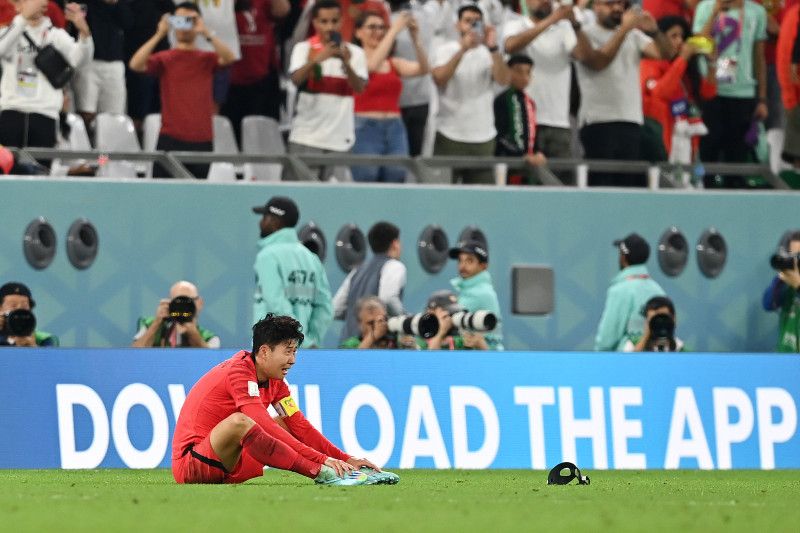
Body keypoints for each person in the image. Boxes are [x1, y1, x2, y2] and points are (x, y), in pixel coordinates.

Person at [171, 312, 399, 485]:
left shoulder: (276, 380)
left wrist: (346, 458)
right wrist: (320, 461)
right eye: (287, 351)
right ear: (264, 352)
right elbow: (259, 422)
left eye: (295, 352)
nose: (293, 360)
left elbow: (299, 426)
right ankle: (320, 473)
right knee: (241, 422)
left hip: (230, 462)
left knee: (286, 424)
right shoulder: (238, 372)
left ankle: (345, 471)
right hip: (193, 464)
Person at [128, 2, 236, 179]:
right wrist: (160, 33)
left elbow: (229, 58)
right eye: (178, 20)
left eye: (189, 21)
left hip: (202, 139)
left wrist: (206, 32)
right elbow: (136, 64)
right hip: (170, 138)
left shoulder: (206, 59)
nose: (183, 26)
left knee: (196, 197)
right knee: (162, 194)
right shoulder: (165, 58)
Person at [574, 1, 669, 186]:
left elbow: (665, 53)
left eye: (621, 3)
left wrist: (654, 32)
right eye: (609, 3)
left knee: (626, 187)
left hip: (630, 120)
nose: (617, 8)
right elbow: (598, 62)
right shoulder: (585, 35)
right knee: (601, 186)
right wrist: (624, 30)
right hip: (598, 121)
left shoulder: (634, 35)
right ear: (596, 8)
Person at [502, 0, 595, 172]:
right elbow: (510, 45)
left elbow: (584, 56)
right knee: (524, 182)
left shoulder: (564, 28)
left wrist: (576, 25)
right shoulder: (516, 25)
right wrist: (551, 20)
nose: (545, 1)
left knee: (561, 186)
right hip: (524, 120)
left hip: (558, 121)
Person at [286, 0, 368, 181]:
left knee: (334, 199)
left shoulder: (355, 53)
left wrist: (346, 63)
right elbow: (296, 79)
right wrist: (316, 59)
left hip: (339, 138)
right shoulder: (303, 49)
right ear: (315, 22)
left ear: (341, 21)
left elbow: (359, 88)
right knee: (301, 196)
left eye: (334, 21)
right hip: (306, 136)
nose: (329, 27)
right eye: (324, 21)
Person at [692, 0, 768, 188]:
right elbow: (697, 45)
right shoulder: (707, 7)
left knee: (737, 153)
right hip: (711, 90)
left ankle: (736, 194)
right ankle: (706, 190)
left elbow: (759, 56)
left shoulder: (757, 12)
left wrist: (762, 98)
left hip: (743, 92)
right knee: (710, 147)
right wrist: (714, 14)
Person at [432, 4, 510, 184]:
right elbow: (440, 79)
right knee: (442, 197)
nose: (472, 26)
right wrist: (464, 49)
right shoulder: (445, 50)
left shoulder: (490, 53)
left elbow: (504, 80)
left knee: (481, 202)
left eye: (477, 22)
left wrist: (492, 47)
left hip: (483, 137)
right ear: (457, 26)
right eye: (467, 21)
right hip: (450, 135)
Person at [0, 0, 93, 149]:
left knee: (41, 169)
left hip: (45, 112)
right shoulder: (10, 32)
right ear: (18, 5)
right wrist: (22, 20)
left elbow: (81, 60)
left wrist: (84, 32)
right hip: (11, 110)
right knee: (8, 168)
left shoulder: (56, 35)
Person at [350, 10, 429, 183]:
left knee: (397, 176)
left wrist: (416, 38)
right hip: (365, 128)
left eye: (381, 28)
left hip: (395, 127)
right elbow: (370, 67)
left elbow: (423, 68)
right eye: (372, 27)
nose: (378, 32)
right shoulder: (354, 58)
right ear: (358, 32)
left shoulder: (394, 63)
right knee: (367, 177)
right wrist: (394, 30)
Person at [253, 196, 333, 349]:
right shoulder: (312, 258)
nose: (261, 222)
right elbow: (325, 307)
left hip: (270, 350)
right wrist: (310, 341)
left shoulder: (267, 256)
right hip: (303, 350)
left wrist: (301, 341)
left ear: (276, 221)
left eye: (265, 217)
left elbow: (276, 304)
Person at [640, 15, 716, 164]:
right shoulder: (650, 64)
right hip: (661, 138)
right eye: (673, 36)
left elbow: (708, 93)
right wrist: (682, 59)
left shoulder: (684, 69)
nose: (679, 41)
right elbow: (661, 92)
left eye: (681, 36)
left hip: (686, 137)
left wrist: (712, 65)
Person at [221, 0, 289, 143]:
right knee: (229, 136)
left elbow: (282, 10)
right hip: (226, 76)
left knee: (261, 136)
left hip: (261, 77)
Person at [333, 221, 406, 344]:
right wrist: (403, 320)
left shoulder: (356, 271)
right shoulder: (394, 266)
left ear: (371, 248)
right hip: (375, 346)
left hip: (350, 344)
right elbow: (388, 299)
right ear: (395, 244)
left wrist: (358, 317)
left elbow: (335, 309)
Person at [594, 233, 666, 351]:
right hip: (655, 362)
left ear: (623, 256)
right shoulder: (659, 291)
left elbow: (606, 340)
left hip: (624, 364)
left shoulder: (619, 291)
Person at [70, 0, 132, 133]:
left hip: (115, 60)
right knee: (85, 112)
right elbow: (76, 22)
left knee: (113, 115)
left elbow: (129, 22)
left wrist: (114, 3)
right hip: (88, 61)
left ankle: (106, 152)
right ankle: (83, 150)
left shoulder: (122, 3)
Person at [493, 54, 547, 184]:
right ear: (509, 71)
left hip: (528, 164)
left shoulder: (530, 103)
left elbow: (534, 133)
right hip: (507, 164)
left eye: (528, 72)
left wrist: (538, 152)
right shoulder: (501, 100)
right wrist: (521, 155)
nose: (524, 77)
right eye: (519, 71)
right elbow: (499, 135)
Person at [447, 240, 504, 350]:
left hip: (487, 359)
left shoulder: (481, 293)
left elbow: (447, 320)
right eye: (460, 260)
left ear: (483, 266)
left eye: (469, 261)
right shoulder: (472, 290)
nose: (462, 266)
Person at [131, 280, 220, 348]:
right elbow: (132, 357)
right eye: (177, 301)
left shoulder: (210, 338)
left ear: (200, 302)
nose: (182, 307)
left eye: (187, 302)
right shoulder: (148, 324)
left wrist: (193, 334)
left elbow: (211, 363)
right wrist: (157, 323)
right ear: (169, 303)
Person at [762, 230, 800, 352]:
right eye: (791, 256)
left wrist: (798, 285)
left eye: (798, 256)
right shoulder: (786, 283)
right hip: (784, 355)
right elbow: (768, 304)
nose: (795, 261)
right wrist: (781, 276)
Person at [339, 296, 425, 349]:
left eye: (382, 320)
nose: (378, 325)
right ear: (360, 325)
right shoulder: (351, 345)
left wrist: (413, 351)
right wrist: (373, 336)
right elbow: (350, 366)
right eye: (371, 323)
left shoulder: (402, 340)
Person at [0, 282, 58, 346]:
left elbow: (50, 355)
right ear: (0, 309)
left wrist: (32, 347)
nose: (19, 309)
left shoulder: (42, 339)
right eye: (13, 305)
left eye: (24, 306)